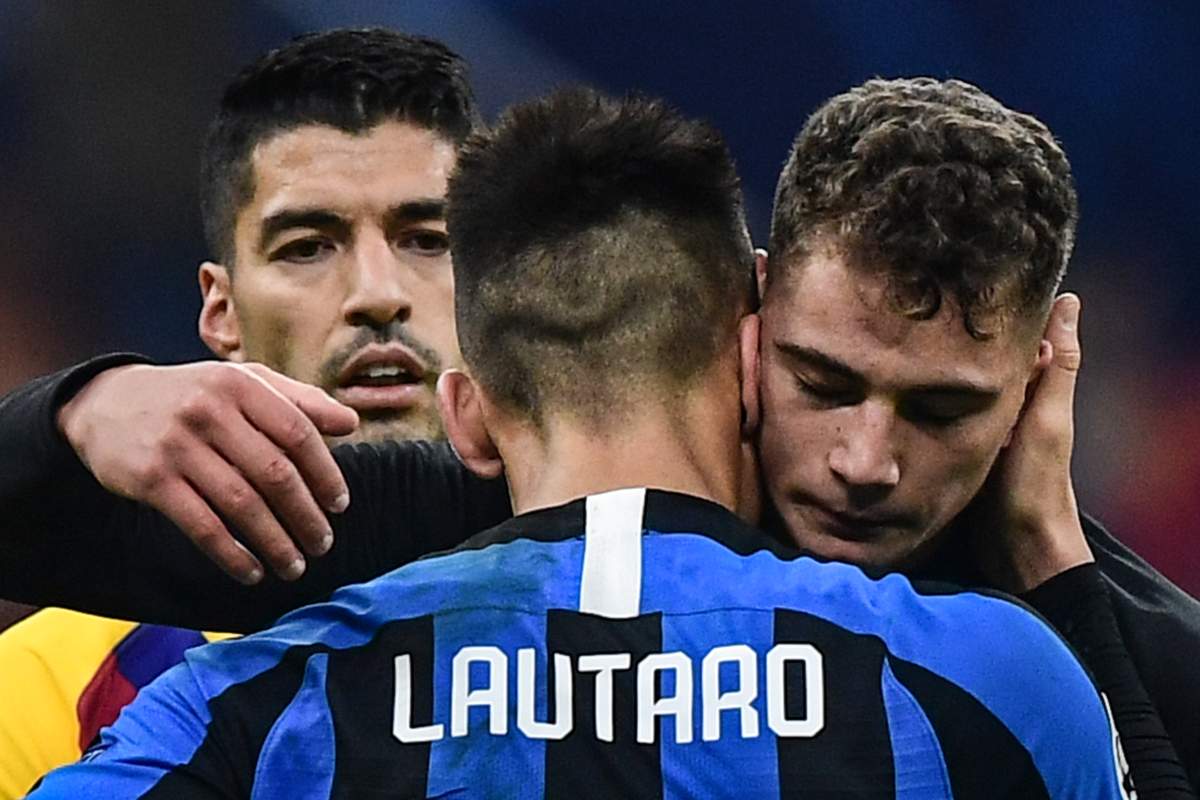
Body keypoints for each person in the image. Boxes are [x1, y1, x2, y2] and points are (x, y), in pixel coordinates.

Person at [0, 80, 1194, 792]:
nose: (864, 461)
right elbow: (86, 528)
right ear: (747, 329)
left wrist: (1057, 561)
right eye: (823, 382)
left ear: (1037, 383)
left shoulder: (1086, 622)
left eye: (941, 410)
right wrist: (79, 411)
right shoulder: (468, 513)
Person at [0, 27, 482, 799]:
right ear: (220, 312)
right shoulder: (51, 687)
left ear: (502, 289)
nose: (376, 294)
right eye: (308, 247)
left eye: (427, 240)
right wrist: (68, 410)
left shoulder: (635, 634)